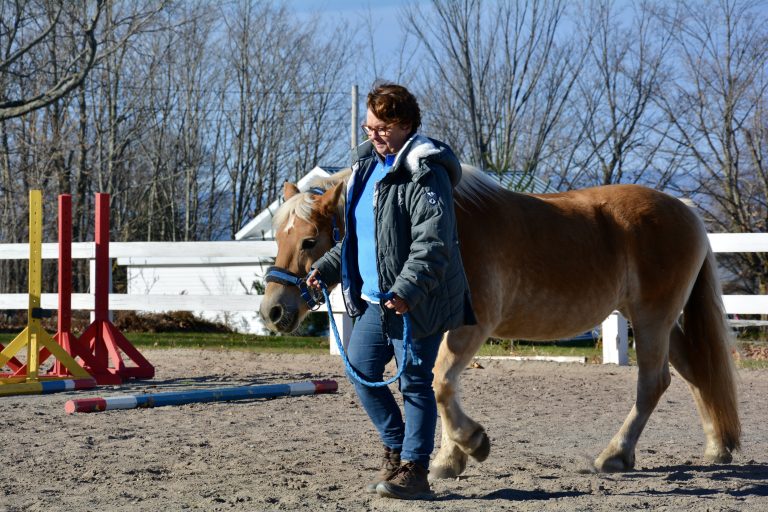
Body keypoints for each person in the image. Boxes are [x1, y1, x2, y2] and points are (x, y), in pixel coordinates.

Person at [308, 82, 475, 500]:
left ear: (406, 125)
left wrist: (407, 289)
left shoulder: (426, 172)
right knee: (360, 370)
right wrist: (326, 269)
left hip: (414, 300)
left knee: (415, 383)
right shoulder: (366, 169)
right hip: (372, 301)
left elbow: (433, 242)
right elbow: (361, 238)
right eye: (369, 128)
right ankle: (398, 449)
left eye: (383, 128)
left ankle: (415, 471)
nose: (374, 135)